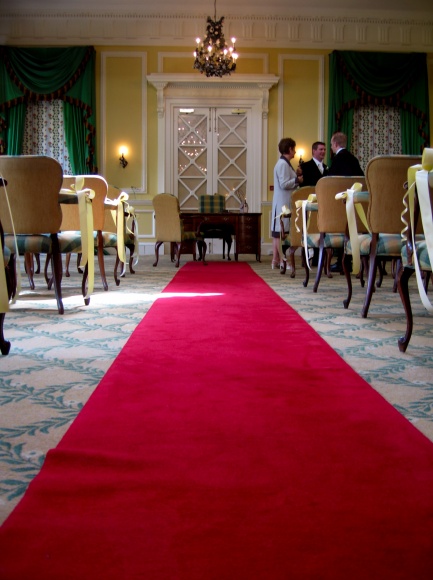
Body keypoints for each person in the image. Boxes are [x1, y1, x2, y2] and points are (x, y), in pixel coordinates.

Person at [328, 131, 364, 272]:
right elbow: (361, 179)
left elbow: (329, 182)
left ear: (336, 144)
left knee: (342, 230)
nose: (331, 148)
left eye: (331, 145)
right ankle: (348, 260)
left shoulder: (337, 160)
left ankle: (342, 261)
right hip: (355, 203)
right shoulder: (353, 159)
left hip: (339, 204)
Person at [271, 137, 303, 269]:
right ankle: (283, 260)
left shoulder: (283, 163)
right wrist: (298, 180)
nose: (295, 152)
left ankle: (276, 259)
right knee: (281, 233)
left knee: (278, 233)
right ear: (289, 149)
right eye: (294, 149)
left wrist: (295, 176)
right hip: (283, 203)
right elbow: (284, 184)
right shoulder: (283, 164)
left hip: (281, 202)